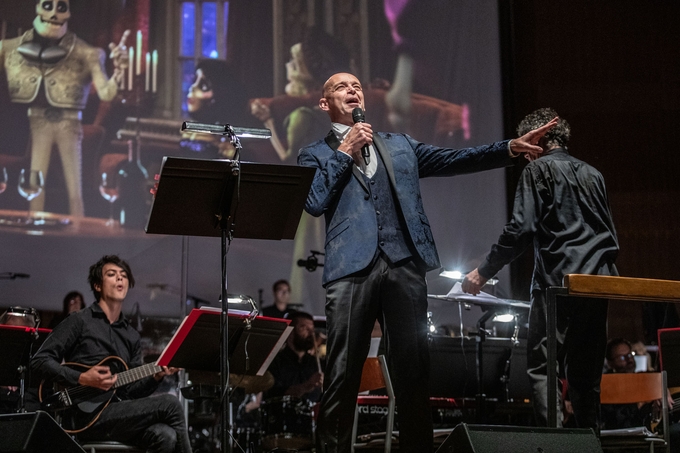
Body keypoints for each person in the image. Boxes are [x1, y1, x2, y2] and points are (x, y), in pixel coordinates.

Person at [298, 72, 556, 453]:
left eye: (357, 86)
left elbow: (455, 159)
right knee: (342, 375)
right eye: (341, 87)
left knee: (414, 375)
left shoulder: (399, 145)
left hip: (404, 265)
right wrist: (344, 151)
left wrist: (509, 149)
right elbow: (314, 201)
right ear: (324, 104)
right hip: (350, 270)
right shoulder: (315, 154)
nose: (352, 90)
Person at [462, 108, 619, 431]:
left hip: (557, 283)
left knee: (542, 369)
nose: (524, 153)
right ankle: (590, 442)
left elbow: (520, 229)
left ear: (541, 138)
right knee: (586, 373)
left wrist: (483, 271)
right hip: (597, 282)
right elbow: (608, 233)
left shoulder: (537, 171)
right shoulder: (594, 174)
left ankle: (556, 444)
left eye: (527, 143)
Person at [31, 255, 191, 453]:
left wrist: (156, 376)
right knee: (171, 403)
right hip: (82, 416)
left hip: (117, 415)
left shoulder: (131, 335)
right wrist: (81, 378)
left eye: (123, 275)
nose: (120, 278)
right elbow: (39, 361)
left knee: (166, 435)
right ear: (97, 285)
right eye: (112, 274)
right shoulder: (79, 321)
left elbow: (131, 392)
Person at [0, 0, 128, 216]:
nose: (53, 14)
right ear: (37, 8)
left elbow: (106, 93)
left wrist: (119, 71)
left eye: (61, 8)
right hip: (38, 120)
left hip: (69, 122)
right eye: (47, 6)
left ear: (69, 13)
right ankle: (35, 225)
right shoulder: (11, 47)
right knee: (35, 184)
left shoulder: (87, 52)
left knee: (74, 189)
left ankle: (77, 226)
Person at [265, 311, 324, 403]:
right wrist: (307, 386)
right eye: (304, 328)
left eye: (312, 329)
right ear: (290, 332)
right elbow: (273, 394)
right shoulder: (274, 362)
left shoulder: (317, 363)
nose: (311, 333)